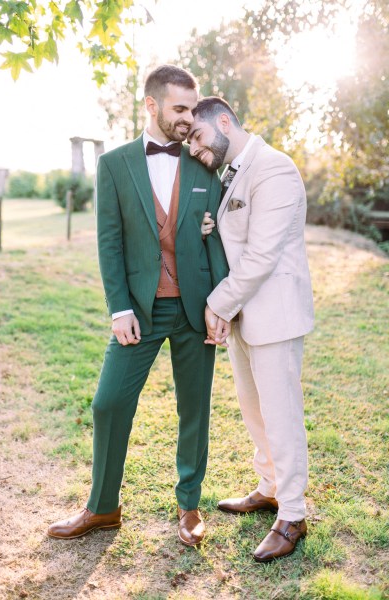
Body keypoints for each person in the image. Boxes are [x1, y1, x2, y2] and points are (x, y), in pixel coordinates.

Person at [47, 67, 228, 546]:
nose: (190, 119)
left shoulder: (204, 165)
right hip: (139, 312)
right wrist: (118, 308)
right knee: (108, 404)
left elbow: (216, 242)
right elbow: (109, 242)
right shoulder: (115, 165)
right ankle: (103, 507)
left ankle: (189, 507)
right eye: (181, 109)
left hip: (196, 309)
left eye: (193, 109)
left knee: (195, 409)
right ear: (151, 105)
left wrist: (220, 303)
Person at [188, 96, 314, 562]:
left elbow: (261, 254)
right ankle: (270, 487)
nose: (196, 149)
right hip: (244, 315)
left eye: (198, 137)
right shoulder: (230, 174)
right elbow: (233, 237)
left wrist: (216, 305)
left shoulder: (274, 169)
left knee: (281, 414)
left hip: (276, 314)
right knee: (253, 410)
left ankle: (294, 514)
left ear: (224, 121)